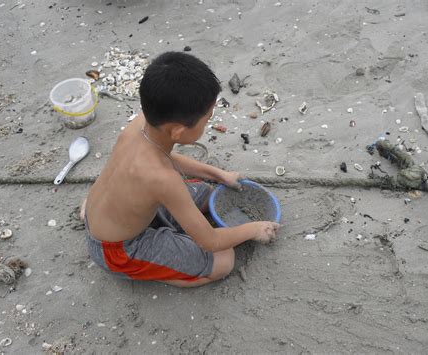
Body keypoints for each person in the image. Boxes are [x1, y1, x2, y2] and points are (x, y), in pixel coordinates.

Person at [80, 52, 280, 287]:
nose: (208, 123)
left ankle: (91, 211)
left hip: (110, 213)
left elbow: (165, 158)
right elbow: (211, 242)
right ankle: (163, 273)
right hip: (119, 250)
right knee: (224, 261)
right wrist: (253, 229)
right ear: (178, 132)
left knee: (208, 193)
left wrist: (219, 175)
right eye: (206, 120)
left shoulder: (139, 125)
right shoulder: (164, 180)